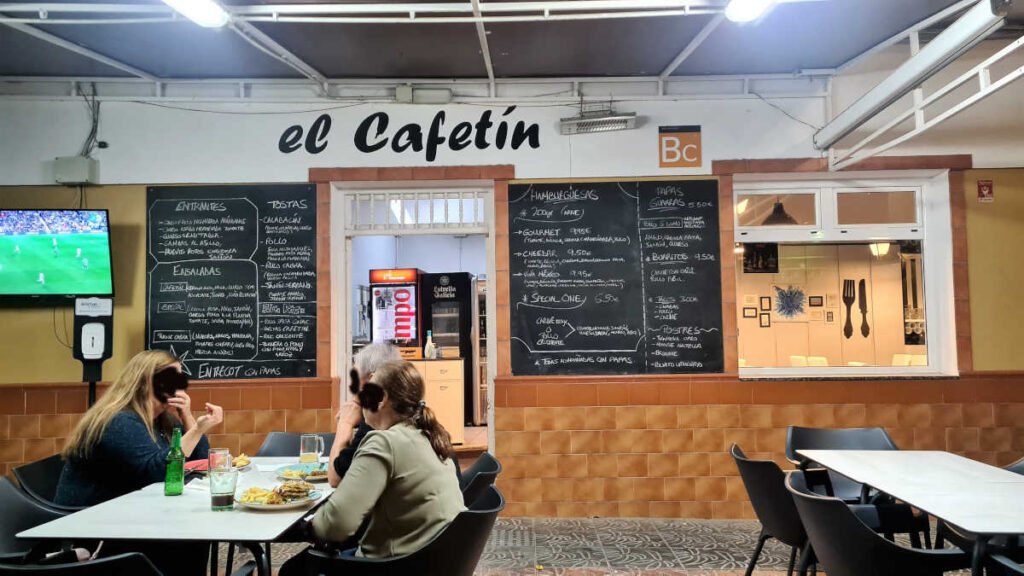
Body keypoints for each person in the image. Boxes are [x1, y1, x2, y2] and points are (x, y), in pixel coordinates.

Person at [280, 360, 464, 573]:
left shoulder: (384, 442)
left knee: (292, 570)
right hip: (433, 560)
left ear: (382, 398)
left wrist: (307, 526)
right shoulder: (431, 436)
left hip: (392, 565)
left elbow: (337, 524)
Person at [55, 349, 223, 576]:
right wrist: (199, 428)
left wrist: (188, 418)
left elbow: (200, 461)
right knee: (187, 540)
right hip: (97, 525)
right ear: (146, 383)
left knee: (193, 537)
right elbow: (158, 470)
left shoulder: (162, 420)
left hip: (133, 514)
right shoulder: (119, 421)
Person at [327, 343, 401, 488]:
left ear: (372, 380)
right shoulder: (405, 410)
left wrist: (344, 425)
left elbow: (336, 479)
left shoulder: (377, 420)